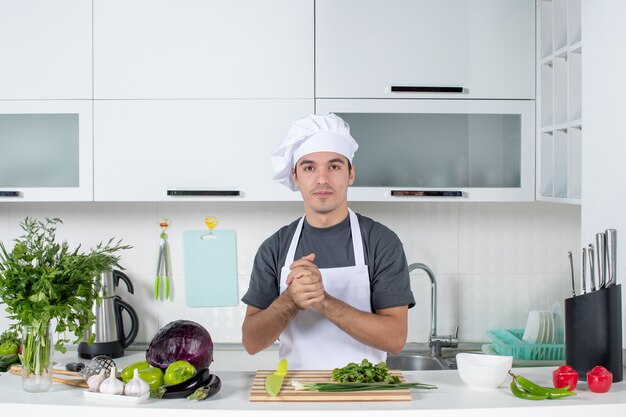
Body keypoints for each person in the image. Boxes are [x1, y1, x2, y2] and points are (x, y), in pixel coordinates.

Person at [241, 113, 415, 370]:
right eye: (309, 167)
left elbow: (395, 339)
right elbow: (251, 342)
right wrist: (290, 300)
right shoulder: (274, 248)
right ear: (296, 176)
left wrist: (322, 300)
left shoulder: (381, 243)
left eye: (334, 166)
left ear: (351, 173)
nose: (322, 179)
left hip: (365, 394)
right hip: (297, 395)